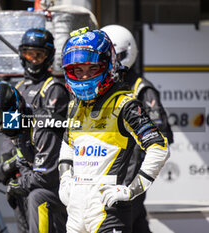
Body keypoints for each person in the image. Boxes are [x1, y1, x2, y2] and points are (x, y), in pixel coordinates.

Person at [58, 28, 170, 233]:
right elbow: (68, 144)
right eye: (78, 71)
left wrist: (132, 190)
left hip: (109, 208)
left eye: (92, 69)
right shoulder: (75, 107)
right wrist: (64, 180)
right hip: (75, 211)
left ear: (108, 67)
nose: (84, 77)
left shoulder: (125, 104)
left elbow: (160, 146)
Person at [101, 24, 174, 233]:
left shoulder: (141, 88)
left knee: (121, 222)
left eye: (114, 56)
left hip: (130, 176)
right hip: (107, 172)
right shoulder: (104, 89)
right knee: (137, 224)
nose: (111, 62)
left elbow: (161, 135)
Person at [0, 28, 70, 233]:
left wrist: (14, 163)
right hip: (20, 176)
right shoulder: (17, 89)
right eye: (29, 54)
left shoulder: (54, 88)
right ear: (22, 55)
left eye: (39, 55)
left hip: (44, 178)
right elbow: (9, 132)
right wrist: (6, 164)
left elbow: (49, 139)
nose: (34, 60)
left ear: (48, 57)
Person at [0, 82, 68, 233]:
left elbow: (46, 176)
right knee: (29, 194)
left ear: (18, 107)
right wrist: (20, 185)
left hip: (72, 186)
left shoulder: (42, 125)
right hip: (56, 189)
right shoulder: (19, 129)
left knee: (37, 196)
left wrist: (18, 185)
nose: (2, 128)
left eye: (3, 119)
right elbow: (24, 164)